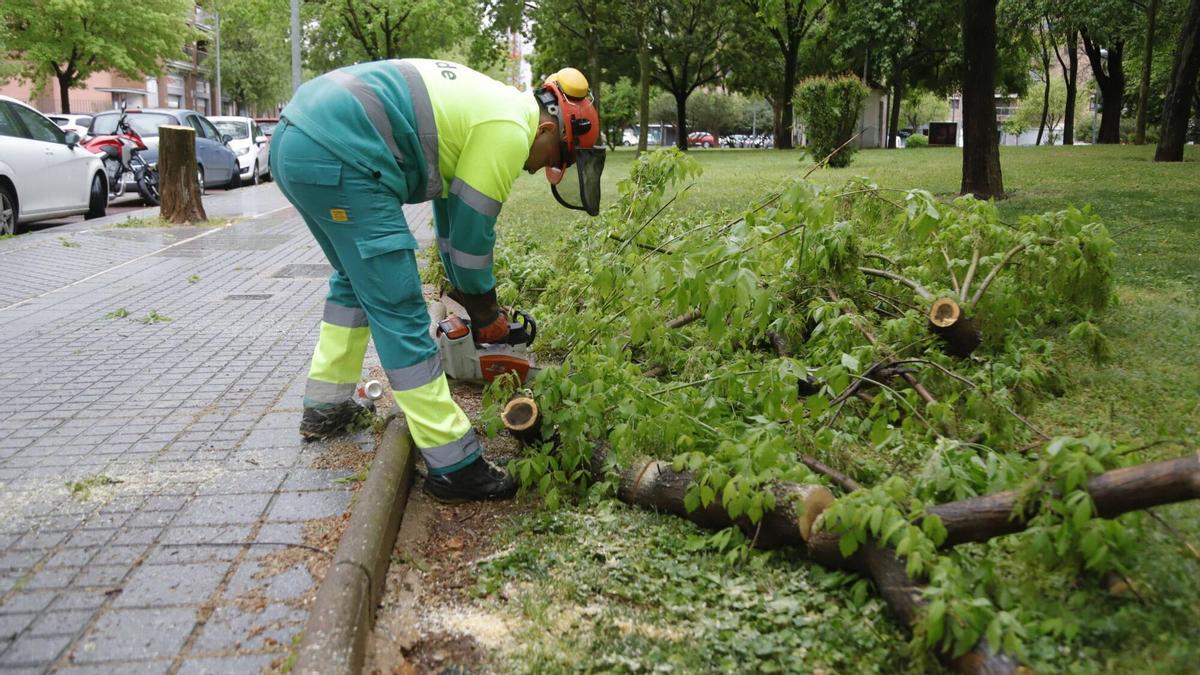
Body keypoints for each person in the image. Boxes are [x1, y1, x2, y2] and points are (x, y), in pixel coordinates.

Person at [270, 59, 605, 502]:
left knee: (353, 280)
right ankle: (454, 464)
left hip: (297, 139)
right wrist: (486, 314)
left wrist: (476, 303)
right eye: (556, 157)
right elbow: (470, 237)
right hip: (340, 150)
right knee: (400, 308)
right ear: (547, 130)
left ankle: (326, 407)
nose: (543, 170)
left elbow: (450, 229)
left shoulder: (492, 105)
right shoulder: (509, 129)